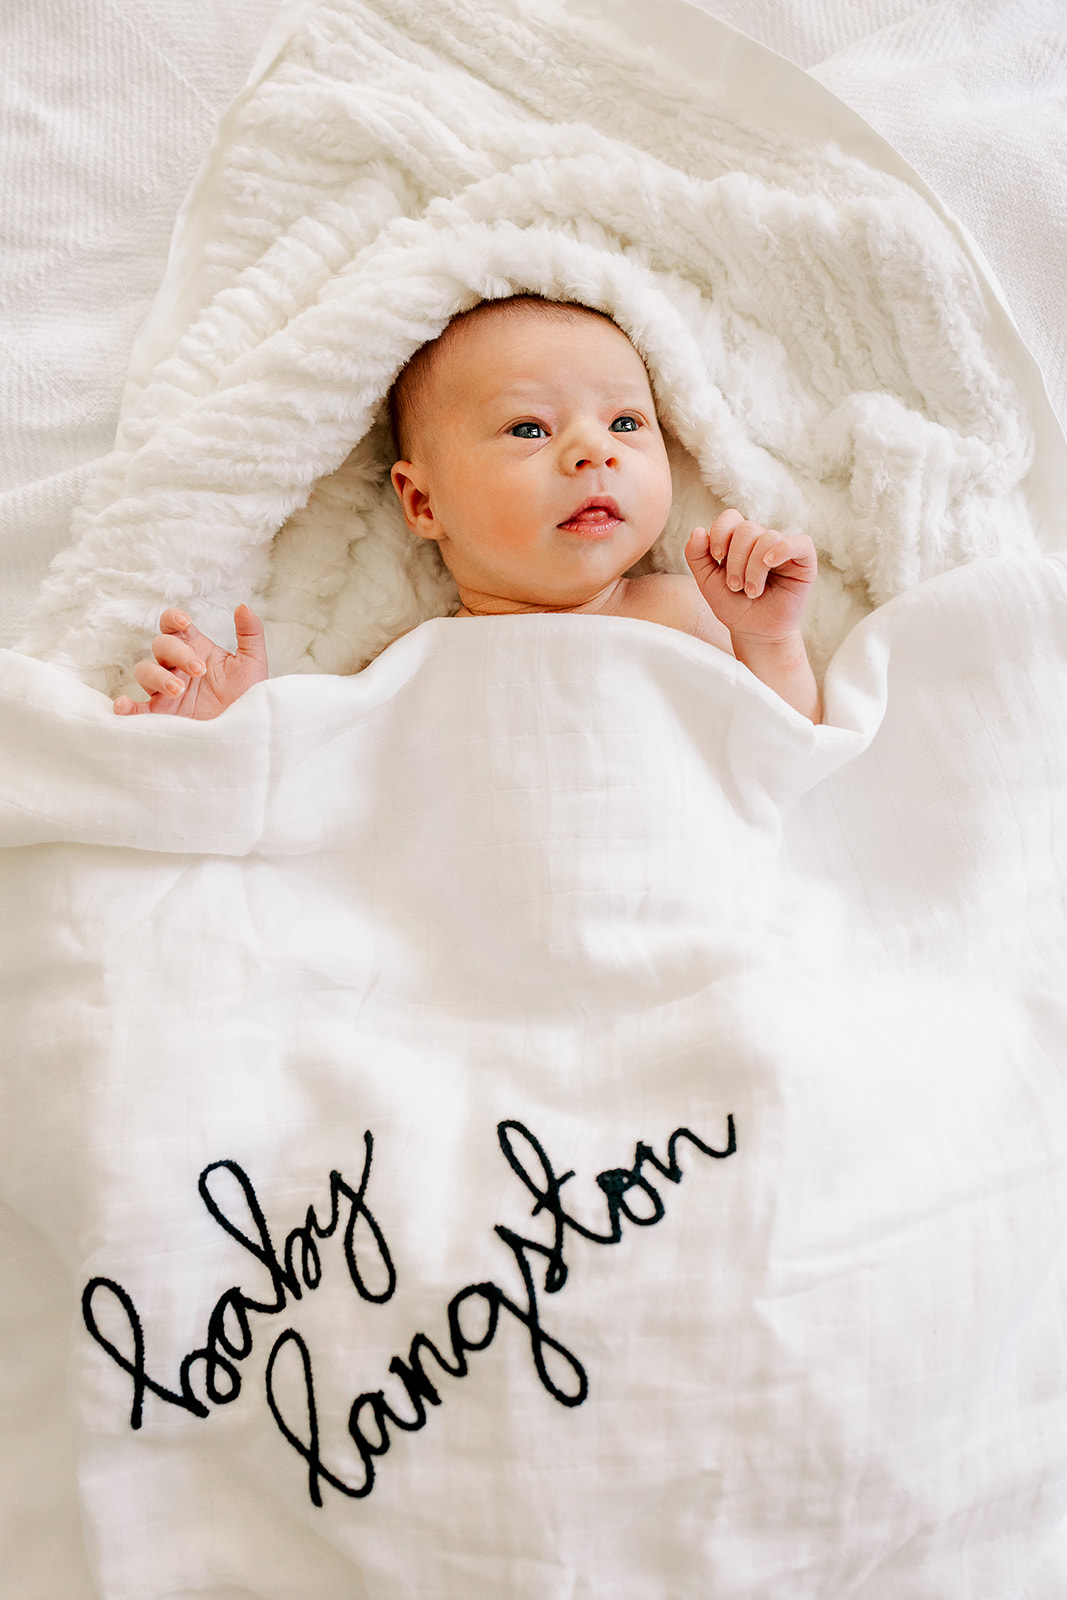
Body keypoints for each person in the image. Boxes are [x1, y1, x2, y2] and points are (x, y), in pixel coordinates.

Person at [113, 296, 822, 723]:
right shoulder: (412, 665)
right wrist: (245, 722)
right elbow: (334, 798)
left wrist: (769, 642)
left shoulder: (694, 611)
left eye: (626, 424)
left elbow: (794, 760)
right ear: (423, 502)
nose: (592, 452)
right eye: (529, 429)